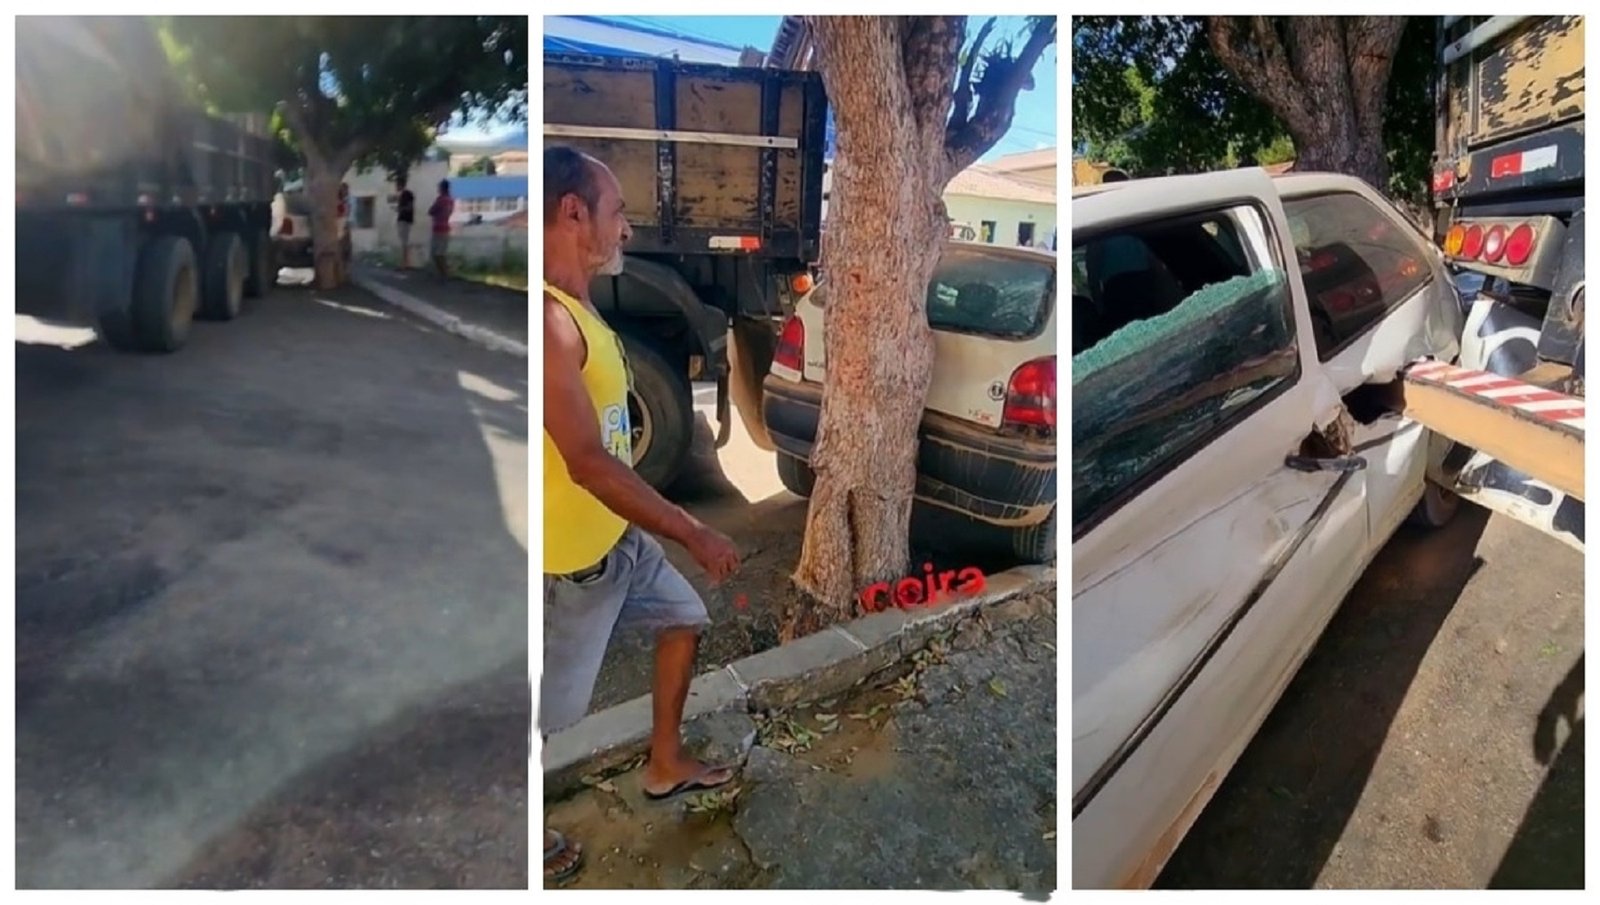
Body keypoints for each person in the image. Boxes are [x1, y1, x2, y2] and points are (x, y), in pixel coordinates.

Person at [540, 145, 741, 885]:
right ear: (573, 213)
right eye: (617, 211)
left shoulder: (582, 303)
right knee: (541, 721)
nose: (626, 228)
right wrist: (692, 528)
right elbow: (587, 462)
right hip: (573, 569)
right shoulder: (548, 322)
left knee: (684, 618)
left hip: (620, 541)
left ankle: (664, 763)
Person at [427, 179, 454, 278]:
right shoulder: (450, 200)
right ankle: (444, 273)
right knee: (440, 253)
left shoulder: (441, 199)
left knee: (437, 254)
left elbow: (431, 211)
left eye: (439, 187)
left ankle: (444, 274)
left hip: (438, 228)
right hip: (445, 228)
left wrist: (437, 213)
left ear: (442, 188)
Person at [395, 177, 416, 269]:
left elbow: (409, 207)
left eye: (397, 184)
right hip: (404, 219)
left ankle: (405, 263)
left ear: (400, 184)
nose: (396, 187)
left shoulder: (406, 194)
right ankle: (406, 262)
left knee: (404, 242)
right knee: (404, 241)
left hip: (405, 219)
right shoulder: (404, 195)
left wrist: (400, 209)